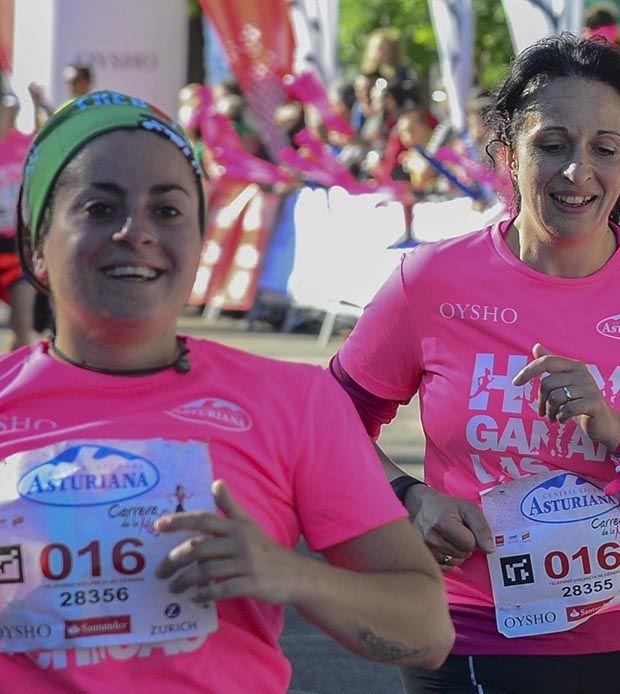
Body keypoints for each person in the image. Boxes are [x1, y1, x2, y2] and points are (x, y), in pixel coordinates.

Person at [330, 35, 620, 694]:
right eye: (551, 144)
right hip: (472, 637)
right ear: (507, 152)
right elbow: (322, 426)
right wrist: (409, 499)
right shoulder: (432, 281)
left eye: (604, 149)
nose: (577, 172)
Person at [0, 91, 453, 692]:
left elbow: (426, 629)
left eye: (167, 212)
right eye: (99, 207)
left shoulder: (293, 404)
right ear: (36, 243)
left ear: (198, 241)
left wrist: (289, 575)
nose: (135, 232)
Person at [0, 91, 35, 349]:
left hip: (16, 248)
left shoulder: (24, 144)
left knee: (23, 324)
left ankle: (14, 384)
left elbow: (50, 134)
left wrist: (38, 102)